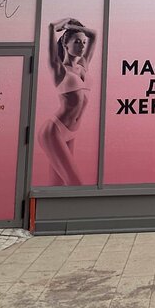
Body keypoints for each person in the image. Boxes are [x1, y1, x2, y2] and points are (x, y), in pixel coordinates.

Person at [39, 17, 97, 185]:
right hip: (54, 131)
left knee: (57, 186)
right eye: (77, 42)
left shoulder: (83, 65)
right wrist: (65, 23)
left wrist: (74, 27)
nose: (82, 46)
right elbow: (51, 26)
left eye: (83, 42)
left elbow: (94, 35)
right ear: (66, 44)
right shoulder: (59, 69)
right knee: (75, 183)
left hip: (71, 134)